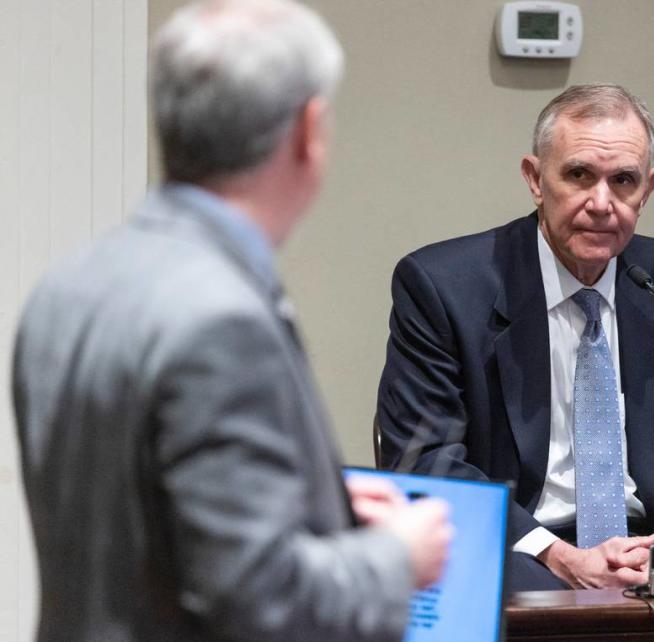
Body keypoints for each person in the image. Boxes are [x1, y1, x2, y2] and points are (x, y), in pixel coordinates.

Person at [13, 1, 450, 640]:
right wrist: (396, 558)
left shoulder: (65, 286)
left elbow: (137, 522)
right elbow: (261, 605)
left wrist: (317, 510)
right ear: (309, 131)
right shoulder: (222, 323)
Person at [377, 84, 654, 591]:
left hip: (651, 547)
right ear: (535, 179)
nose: (601, 203)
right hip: (520, 544)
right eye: (578, 175)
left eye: (623, 181)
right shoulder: (442, 287)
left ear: (648, 190)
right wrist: (562, 557)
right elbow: (427, 459)